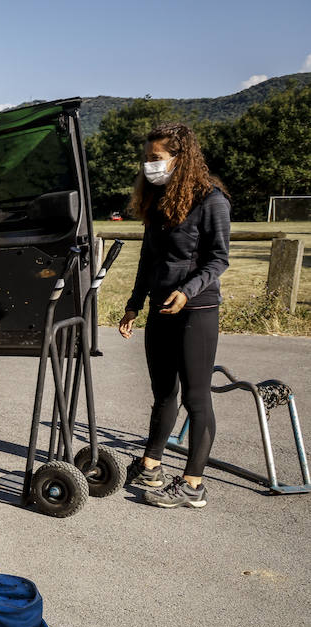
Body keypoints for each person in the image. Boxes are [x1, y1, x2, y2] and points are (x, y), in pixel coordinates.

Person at [119, 122, 230, 508]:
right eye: (147, 158)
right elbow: (149, 259)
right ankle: (151, 465)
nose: (150, 166)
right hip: (160, 309)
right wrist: (134, 303)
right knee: (163, 394)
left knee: (196, 400)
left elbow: (218, 260)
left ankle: (193, 485)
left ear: (180, 159)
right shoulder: (158, 200)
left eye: (156, 159)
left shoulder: (211, 200)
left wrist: (188, 291)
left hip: (196, 310)